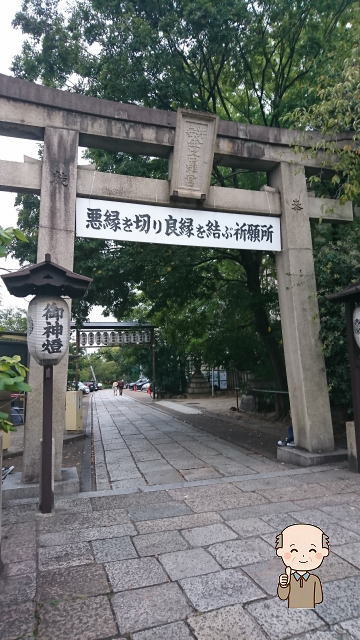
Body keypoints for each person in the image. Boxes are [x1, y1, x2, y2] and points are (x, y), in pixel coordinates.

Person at [276, 523, 329, 608]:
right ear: (281, 551)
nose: (303, 556)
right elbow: (283, 596)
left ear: (324, 552)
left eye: (312, 550)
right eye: (293, 550)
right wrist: (283, 585)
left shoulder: (314, 579)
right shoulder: (291, 579)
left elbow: (318, 599)